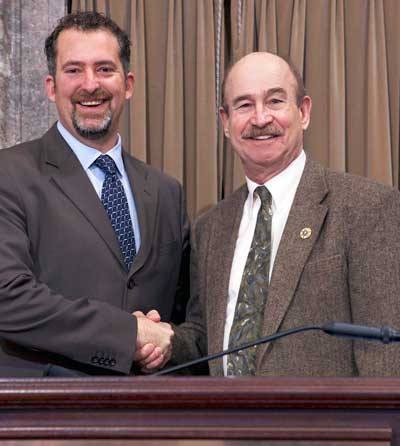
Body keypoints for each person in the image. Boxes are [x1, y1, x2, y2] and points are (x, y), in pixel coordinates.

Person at [163, 51, 400, 377]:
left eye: (275, 101)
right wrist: (161, 340)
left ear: (303, 112)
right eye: (244, 105)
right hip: (225, 425)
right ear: (225, 122)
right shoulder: (210, 227)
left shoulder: (367, 208)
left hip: (326, 427)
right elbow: (207, 342)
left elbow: (385, 357)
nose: (260, 119)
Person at [0, 11, 189, 377]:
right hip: (46, 418)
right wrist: (127, 334)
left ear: (128, 84)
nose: (90, 84)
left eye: (105, 69)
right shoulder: (9, 174)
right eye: (73, 70)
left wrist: (166, 341)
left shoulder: (167, 192)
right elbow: (7, 296)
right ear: (52, 87)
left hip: (154, 418)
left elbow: (182, 319)